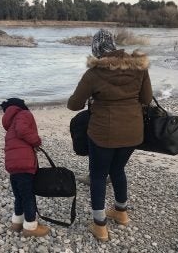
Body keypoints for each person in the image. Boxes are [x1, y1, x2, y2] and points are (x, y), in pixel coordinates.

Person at [67, 29, 153, 242]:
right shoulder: (139, 67)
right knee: (118, 169)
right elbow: (147, 99)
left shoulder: (94, 73)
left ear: (96, 49)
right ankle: (121, 212)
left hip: (103, 134)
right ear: (114, 45)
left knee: (98, 176)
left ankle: (100, 226)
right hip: (133, 132)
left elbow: (74, 105)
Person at [0, 98, 50, 237]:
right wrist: (36, 141)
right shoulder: (23, 114)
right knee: (28, 196)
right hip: (24, 164)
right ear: (21, 106)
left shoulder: (10, 122)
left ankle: (17, 222)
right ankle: (30, 226)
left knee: (19, 195)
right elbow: (22, 130)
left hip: (12, 165)